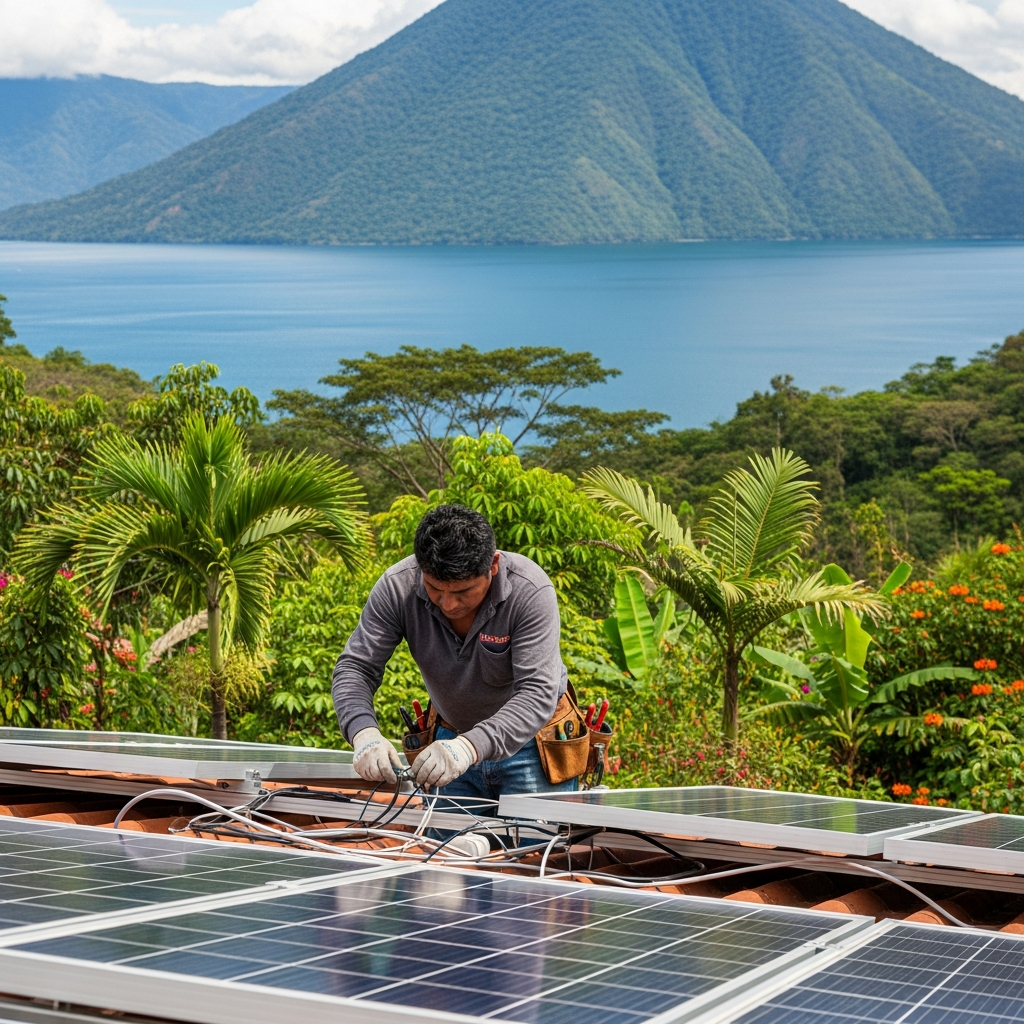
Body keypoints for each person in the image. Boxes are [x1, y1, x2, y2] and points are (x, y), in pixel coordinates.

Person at [332, 504, 576, 799]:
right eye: (434, 588)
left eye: (462, 592)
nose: (448, 604)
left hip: (531, 746)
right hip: (448, 742)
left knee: (532, 832)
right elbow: (356, 667)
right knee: (448, 832)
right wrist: (363, 732)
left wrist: (469, 747)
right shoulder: (398, 586)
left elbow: (537, 692)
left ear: (493, 565)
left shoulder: (529, 591)